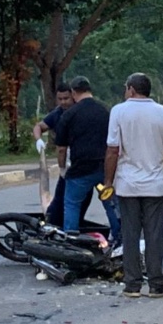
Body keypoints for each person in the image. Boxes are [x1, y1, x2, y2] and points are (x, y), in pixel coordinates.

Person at [102, 73, 163, 299]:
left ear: (132, 89)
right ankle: (156, 285)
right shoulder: (162, 113)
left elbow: (112, 151)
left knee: (130, 234)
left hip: (127, 185)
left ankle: (132, 285)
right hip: (155, 185)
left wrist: (108, 181)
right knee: (154, 235)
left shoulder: (118, 111)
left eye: (126, 88)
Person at [54, 76, 121, 243]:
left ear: (74, 93)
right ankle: (120, 238)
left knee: (71, 204)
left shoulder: (69, 115)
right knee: (110, 204)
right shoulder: (106, 111)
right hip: (104, 169)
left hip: (80, 171)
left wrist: (62, 169)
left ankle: (71, 240)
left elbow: (61, 148)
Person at [32, 82, 91, 227]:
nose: (64, 102)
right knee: (60, 200)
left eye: (67, 98)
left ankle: (73, 228)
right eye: (60, 99)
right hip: (68, 165)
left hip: (82, 162)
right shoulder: (58, 113)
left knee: (81, 199)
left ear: (73, 96)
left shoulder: (81, 112)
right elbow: (39, 126)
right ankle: (56, 226)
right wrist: (38, 139)